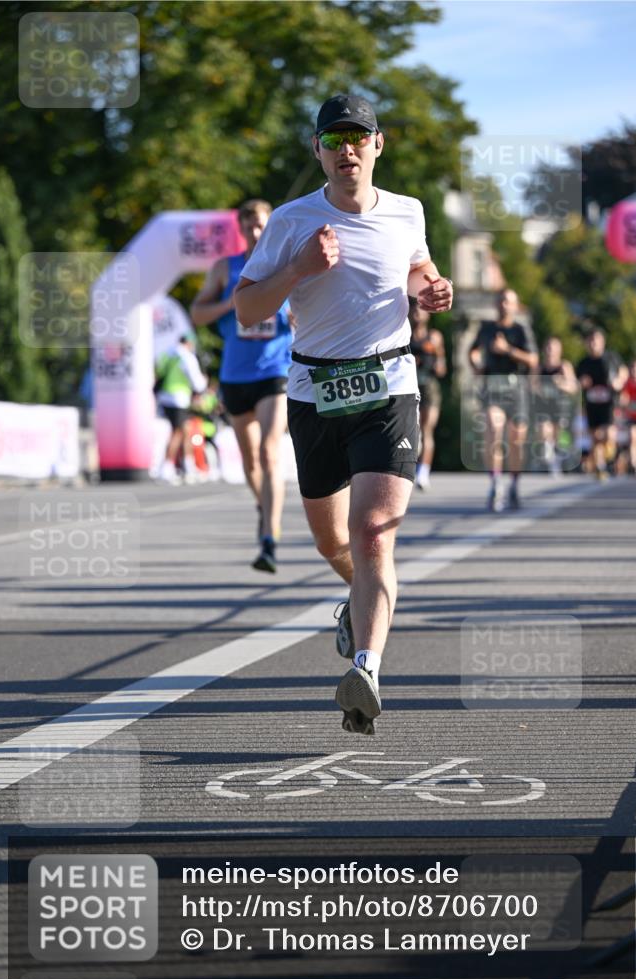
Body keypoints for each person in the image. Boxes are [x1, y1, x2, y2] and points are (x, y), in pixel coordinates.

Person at [234, 94, 453, 735]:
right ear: (319, 150)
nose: (346, 148)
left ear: (377, 146)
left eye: (358, 137)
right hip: (314, 391)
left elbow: (416, 269)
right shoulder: (290, 222)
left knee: (373, 531)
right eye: (334, 138)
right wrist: (300, 268)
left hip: (388, 386)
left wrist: (432, 289)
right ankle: (362, 604)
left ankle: (366, 667)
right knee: (335, 540)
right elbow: (248, 311)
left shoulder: (407, 212)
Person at [191, 200, 293, 572]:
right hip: (235, 374)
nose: (255, 232)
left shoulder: (284, 265)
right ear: (241, 229)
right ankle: (265, 506)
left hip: (274, 372)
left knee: (269, 453)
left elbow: (306, 308)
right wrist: (231, 304)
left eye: (261, 225)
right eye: (249, 226)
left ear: (270, 226)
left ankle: (270, 538)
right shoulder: (225, 268)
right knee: (250, 461)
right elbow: (197, 313)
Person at [468, 289, 538, 510]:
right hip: (493, 389)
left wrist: (508, 350)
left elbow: (533, 360)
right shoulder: (487, 328)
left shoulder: (520, 331)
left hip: (516, 390)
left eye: (508, 301)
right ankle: (495, 484)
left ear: (515, 306)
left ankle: (514, 485)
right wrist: (475, 364)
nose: (504, 305)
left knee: (516, 442)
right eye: (501, 300)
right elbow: (473, 351)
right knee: (493, 428)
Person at [155, 331, 208, 484]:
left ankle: (188, 466)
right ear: (189, 343)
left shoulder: (167, 354)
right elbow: (197, 382)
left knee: (185, 431)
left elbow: (158, 372)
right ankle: (168, 468)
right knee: (178, 432)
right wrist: (202, 387)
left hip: (165, 397)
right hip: (179, 398)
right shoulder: (186, 356)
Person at [575, 329, 628, 479]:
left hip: (609, 404)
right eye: (591, 341)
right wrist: (582, 383)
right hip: (592, 404)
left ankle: (614, 454)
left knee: (608, 434)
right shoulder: (584, 363)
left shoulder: (611, 357)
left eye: (596, 340)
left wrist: (619, 382)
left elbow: (623, 371)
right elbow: (577, 382)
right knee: (595, 437)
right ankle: (600, 467)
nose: (593, 344)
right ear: (587, 343)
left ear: (602, 342)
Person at [409, 299, 446, 490]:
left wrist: (431, 359)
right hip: (409, 386)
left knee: (426, 430)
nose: (417, 312)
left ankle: (423, 473)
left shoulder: (434, 337)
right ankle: (410, 469)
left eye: (421, 308)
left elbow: (442, 368)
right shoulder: (404, 336)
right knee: (412, 432)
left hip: (429, 387)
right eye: (414, 308)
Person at [533, 336, 578, 476]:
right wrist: (540, 389)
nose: (550, 351)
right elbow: (532, 385)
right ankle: (547, 458)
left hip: (561, 407)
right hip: (544, 406)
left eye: (553, 348)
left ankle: (559, 461)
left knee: (559, 438)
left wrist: (561, 384)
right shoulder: (539, 368)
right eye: (548, 348)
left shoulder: (564, 367)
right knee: (544, 430)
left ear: (559, 350)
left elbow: (573, 387)